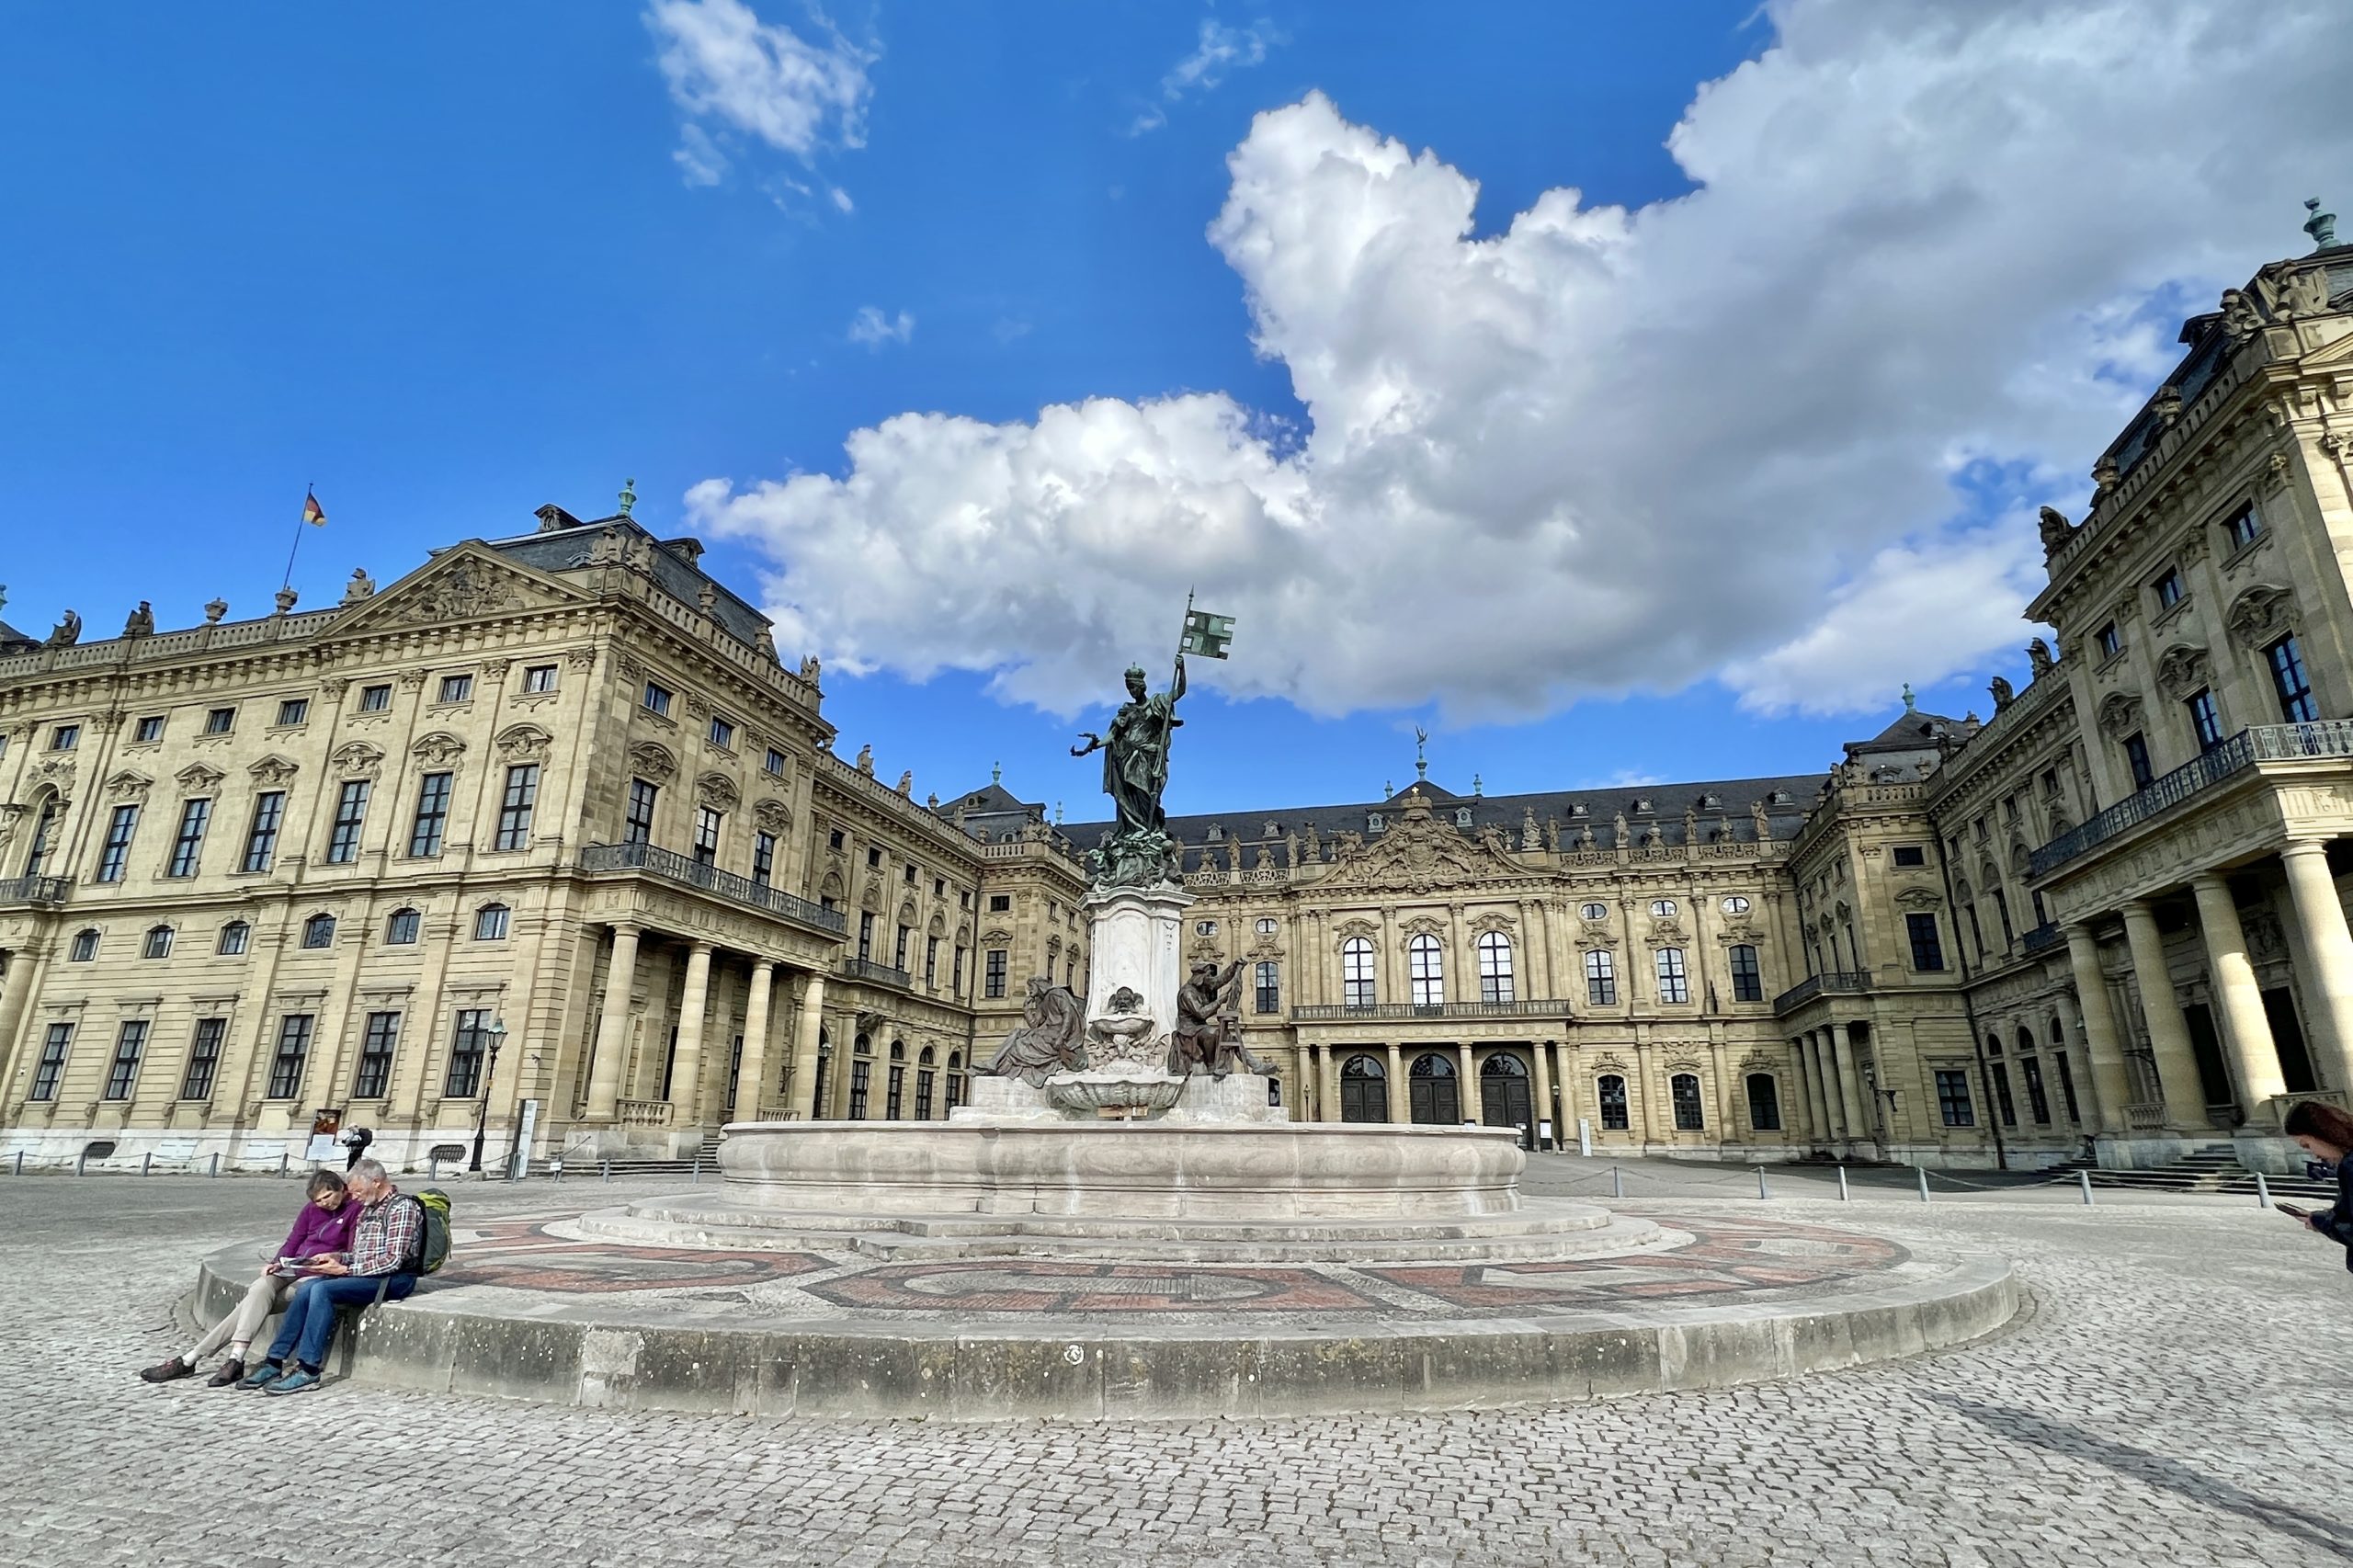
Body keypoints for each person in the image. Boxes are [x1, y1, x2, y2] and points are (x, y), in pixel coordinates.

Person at [140, 1169, 360, 1388]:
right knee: (261, 1286)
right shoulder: (311, 1210)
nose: (324, 1203)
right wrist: (276, 1262)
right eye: (318, 1200)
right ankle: (230, 1359)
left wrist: (332, 1262)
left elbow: (352, 1250)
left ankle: (198, 1359)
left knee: (250, 1303)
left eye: (328, 1196)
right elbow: (294, 1240)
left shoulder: (354, 1209)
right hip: (293, 1267)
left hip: (319, 1273)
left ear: (341, 1189)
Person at [238, 1158, 424, 1395]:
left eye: (358, 1191)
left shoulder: (402, 1208)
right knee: (307, 1289)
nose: (353, 1196)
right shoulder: (369, 1208)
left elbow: (392, 1260)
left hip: (394, 1279)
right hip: (366, 1274)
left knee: (322, 1289)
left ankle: (309, 1369)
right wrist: (336, 1257)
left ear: (377, 1182)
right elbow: (358, 1254)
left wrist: (345, 1271)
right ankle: (274, 1361)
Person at [2283, 1100, 2353, 1274]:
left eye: (2307, 1146)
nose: (2314, 1156)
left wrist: (2319, 1222)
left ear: (2322, 1133)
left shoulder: (2350, 1165)